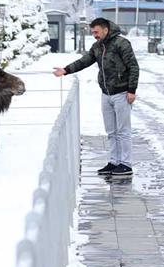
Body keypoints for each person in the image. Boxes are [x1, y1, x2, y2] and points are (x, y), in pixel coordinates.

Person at [54, 18, 139, 177]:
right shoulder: (97, 47)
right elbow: (84, 61)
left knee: (123, 131)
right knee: (111, 131)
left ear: (105, 30)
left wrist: (132, 90)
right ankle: (114, 162)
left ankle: (126, 164)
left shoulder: (122, 43)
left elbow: (134, 67)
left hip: (122, 93)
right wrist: (65, 70)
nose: (94, 35)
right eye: (92, 32)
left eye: (96, 32)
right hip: (106, 94)